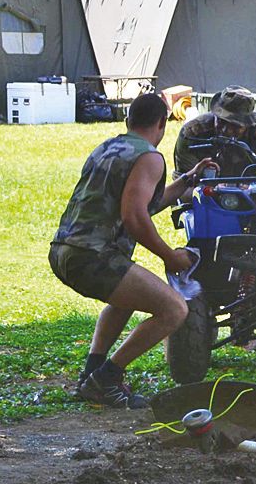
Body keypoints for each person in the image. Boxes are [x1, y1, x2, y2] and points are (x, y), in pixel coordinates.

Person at [48, 91, 217, 408]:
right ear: (162, 123)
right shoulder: (150, 157)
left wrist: (186, 181)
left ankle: (92, 373)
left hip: (65, 250)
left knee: (125, 298)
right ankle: (106, 380)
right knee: (175, 309)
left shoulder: (109, 147)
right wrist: (171, 256)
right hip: (93, 256)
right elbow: (134, 216)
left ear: (128, 120)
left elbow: (142, 203)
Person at [172, 87, 256, 178]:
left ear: (249, 124)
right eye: (221, 121)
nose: (226, 130)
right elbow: (182, 185)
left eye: (235, 126)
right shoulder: (192, 133)